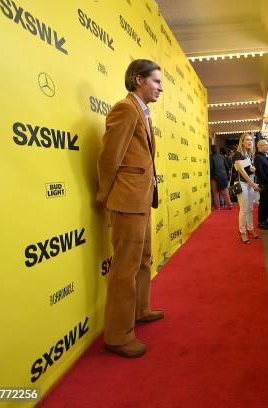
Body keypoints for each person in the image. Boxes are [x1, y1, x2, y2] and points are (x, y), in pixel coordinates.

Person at [96, 59, 164, 358]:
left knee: (144, 259)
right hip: (126, 200)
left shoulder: (142, 112)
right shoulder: (125, 108)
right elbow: (109, 157)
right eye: (156, 81)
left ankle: (140, 309)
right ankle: (117, 336)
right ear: (139, 80)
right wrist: (105, 195)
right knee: (125, 269)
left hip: (141, 199)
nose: (161, 88)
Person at [233, 133, 260, 243]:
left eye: (251, 140)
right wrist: (252, 184)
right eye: (247, 140)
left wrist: (252, 169)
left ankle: (251, 229)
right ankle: (242, 232)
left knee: (250, 209)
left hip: (249, 184)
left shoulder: (249, 154)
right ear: (242, 142)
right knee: (243, 210)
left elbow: (248, 170)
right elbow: (242, 172)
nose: (250, 142)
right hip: (241, 183)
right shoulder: (238, 154)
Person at [254, 139, 268, 229]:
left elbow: (266, 169)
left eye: (267, 144)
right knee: (263, 203)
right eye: (265, 145)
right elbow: (259, 172)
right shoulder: (258, 157)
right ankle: (261, 222)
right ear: (260, 146)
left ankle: (265, 220)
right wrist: (267, 180)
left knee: (267, 203)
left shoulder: (264, 156)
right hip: (265, 183)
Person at [210, 145, 233, 210]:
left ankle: (217, 207)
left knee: (215, 192)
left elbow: (211, 169)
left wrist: (211, 177)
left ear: (211, 150)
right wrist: (226, 175)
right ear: (218, 150)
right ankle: (229, 204)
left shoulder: (211, 157)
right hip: (223, 176)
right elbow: (227, 167)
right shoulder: (222, 157)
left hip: (215, 177)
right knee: (225, 191)